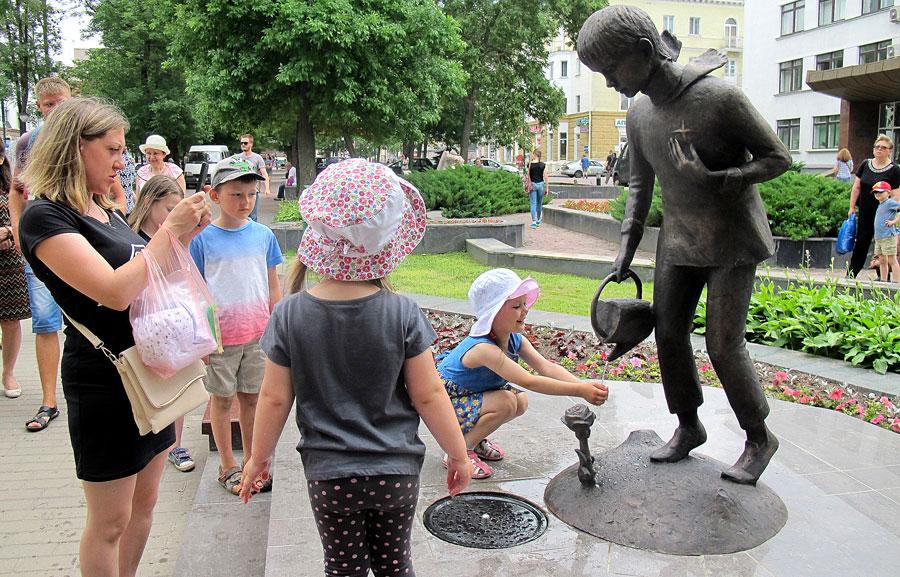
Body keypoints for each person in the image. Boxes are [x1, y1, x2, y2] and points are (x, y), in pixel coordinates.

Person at [577, 5, 792, 485]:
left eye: (612, 70)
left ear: (644, 51)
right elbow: (639, 188)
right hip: (678, 241)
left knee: (723, 345)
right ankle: (689, 425)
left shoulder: (720, 98)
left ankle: (759, 437)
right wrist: (625, 250)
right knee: (669, 334)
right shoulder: (639, 115)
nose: (610, 82)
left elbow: (778, 158)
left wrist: (722, 177)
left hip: (732, 240)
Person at [239, 158, 471, 577]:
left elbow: (273, 398)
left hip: (330, 477)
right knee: (395, 566)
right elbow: (429, 395)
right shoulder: (402, 313)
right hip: (395, 472)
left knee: (343, 569)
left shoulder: (290, 314)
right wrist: (458, 453)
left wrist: (258, 457)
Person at [18, 97, 211, 577]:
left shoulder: (105, 209)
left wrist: (183, 236)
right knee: (110, 522)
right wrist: (169, 232)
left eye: (123, 150)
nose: (122, 162)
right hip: (105, 380)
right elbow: (115, 292)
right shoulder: (45, 217)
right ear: (74, 147)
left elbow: (151, 278)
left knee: (144, 508)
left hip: (149, 371)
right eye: (113, 150)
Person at [436, 268, 608, 479]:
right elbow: (530, 381)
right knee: (506, 402)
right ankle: (459, 453)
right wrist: (580, 390)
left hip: (467, 399)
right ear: (493, 313)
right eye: (516, 306)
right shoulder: (483, 348)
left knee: (520, 401)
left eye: (525, 303)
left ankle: (475, 439)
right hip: (443, 406)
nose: (525, 310)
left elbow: (546, 367)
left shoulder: (514, 339)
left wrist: (584, 386)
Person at [189, 157, 283, 495]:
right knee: (221, 400)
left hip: (256, 335)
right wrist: (202, 337)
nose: (246, 202)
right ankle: (227, 464)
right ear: (215, 196)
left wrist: (274, 324)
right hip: (220, 338)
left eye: (251, 194)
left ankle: (253, 461)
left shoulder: (263, 235)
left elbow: (273, 285)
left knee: (251, 400)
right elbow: (194, 290)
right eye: (236, 195)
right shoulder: (201, 240)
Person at [10, 76, 70, 431]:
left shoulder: (84, 136)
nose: (55, 110)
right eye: (48, 105)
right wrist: (19, 229)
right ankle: (49, 401)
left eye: (60, 102)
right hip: (42, 245)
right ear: (39, 107)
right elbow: (17, 190)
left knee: (88, 319)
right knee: (46, 322)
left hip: (79, 241)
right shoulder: (28, 143)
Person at [128, 175, 195, 472]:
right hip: (140, 330)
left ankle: (174, 445)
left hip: (168, 328)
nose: (172, 217)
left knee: (175, 388)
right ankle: (154, 443)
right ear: (148, 202)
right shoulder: (130, 238)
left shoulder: (170, 237)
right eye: (169, 210)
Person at [0, 138, 30, 399]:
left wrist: (9, 231)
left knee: (10, 321)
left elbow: (25, 217)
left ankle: (8, 373)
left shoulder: (11, 188)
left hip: (8, 262)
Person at [847, 134, 900, 279]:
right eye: (877, 147)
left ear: (890, 151)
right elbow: (856, 187)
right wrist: (852, 207)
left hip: (884, 216)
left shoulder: (894, 169)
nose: (879, 149)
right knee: (861, 243)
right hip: (865, 212)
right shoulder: (865, 164)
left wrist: (894, 217)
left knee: (883, 246)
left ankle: (883, 278)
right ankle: (851, 275)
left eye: (883, 147)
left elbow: (896, 195)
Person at [232, 134, 270, 222]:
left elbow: (264, 173)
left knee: (252, 216)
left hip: (252, 191)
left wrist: (267, 188)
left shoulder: (257, 158)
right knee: (239, 215)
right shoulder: (237, 158)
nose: (243, 145)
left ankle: (252, 230)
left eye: (245, 143)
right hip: (239, 191)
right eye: (241, 143)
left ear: (251, 144)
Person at [871, 180, 900, 283]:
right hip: (879, 237)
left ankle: (896, 282)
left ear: (888, 193)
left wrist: (894, 221)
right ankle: (883, 281)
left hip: (888, 236)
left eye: (880, 191)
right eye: (875, 192)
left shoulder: (890, 203)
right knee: (882, 260)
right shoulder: (881, 204)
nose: (877, 194)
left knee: (892, 259)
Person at [527, 149, 549, 228]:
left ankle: (533, 222)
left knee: (533, 203)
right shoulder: (543, 165)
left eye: (533, 154)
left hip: (532, 185)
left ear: (534, 155)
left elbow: (528, 175)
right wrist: (547, 188)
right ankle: (538, 220)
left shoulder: (529, 164)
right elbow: (546, 177)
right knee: (539, 203)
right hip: (540, 185)